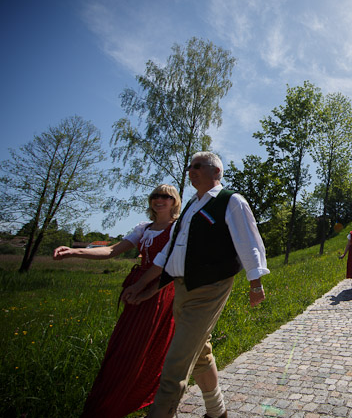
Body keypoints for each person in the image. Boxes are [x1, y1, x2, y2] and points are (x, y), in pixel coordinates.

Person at [121, 151, 269, 418]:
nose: (192, 170)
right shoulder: (190, 205)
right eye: (190, 166)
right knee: (200, 352)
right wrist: (144, 286)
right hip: (181, 288)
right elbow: (169, 252)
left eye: (199, 166)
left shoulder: (230, 200)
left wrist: (255, 283)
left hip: (210, 288)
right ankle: (217, 411)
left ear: (217, 172)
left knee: (176, 362)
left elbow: (249, 242)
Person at [53, 184, 181, 418]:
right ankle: (112, 400)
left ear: (174, 201)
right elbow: (111, 250)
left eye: (166, 196)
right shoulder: (144, 228)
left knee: (149, 344)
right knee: (125, 345)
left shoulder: (177, 229)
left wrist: (142, 286)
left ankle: (145, 396)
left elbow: (167, 263)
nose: (159, 200)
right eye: (155, 196)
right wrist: (74, 252)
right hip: (136, 287)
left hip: (160, 288)